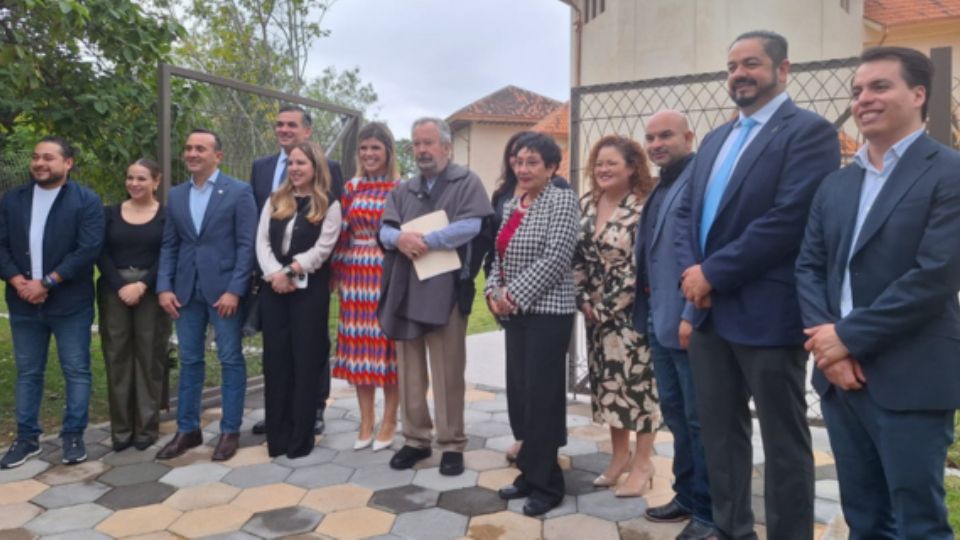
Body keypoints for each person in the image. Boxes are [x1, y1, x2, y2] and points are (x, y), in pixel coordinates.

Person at [674, 30, 840, 538]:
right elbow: (687, 213)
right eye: (731, 67)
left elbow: (789, 219)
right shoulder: (717, 138)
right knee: (721, 436)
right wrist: (692, 278)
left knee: (785, 439)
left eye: (751, 64)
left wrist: (712, 273)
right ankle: (731, 529)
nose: (739, 75)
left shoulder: (809, 132)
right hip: (708, 313)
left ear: (782, 69)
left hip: (767, 313)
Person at [796, 46, 960, 539]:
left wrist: (847, 339)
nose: (864, 98)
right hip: (838, 380)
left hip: (910, 374)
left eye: (879, 86)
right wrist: (831, 353)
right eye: (857, 90)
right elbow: (808, 267)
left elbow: (937, 274)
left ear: (918, 94)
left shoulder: (949, 172)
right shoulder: (836, 185)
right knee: (864, 518)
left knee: (919, 522)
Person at [378, 117, 493, 476]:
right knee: (410, 370)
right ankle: (415, 440)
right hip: (407, 290)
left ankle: (452, 444)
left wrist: (426, 241)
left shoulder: (467, 182)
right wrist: (399, 239)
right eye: (416, 144)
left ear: (446, 147)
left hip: (447, 291)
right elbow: (384, 229)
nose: (422, 151)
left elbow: (472, 225)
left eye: (429, 143)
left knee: (448, 371)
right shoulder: (403, 189)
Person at [486, 133, 578, 516]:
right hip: (516, 315)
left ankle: (547, 484)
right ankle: (528, 473)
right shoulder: (513, 203)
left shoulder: (562, 200)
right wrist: (493, 291)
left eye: (532, 162)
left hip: (548, 313)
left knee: (542, 397)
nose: (522, 169)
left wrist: (512, 296)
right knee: (521, 394)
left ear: (552, 167)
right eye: (518, 161)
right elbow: (498, 255)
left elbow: (557, 258)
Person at [0, 136, 104, 469]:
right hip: (23, 304)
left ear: (68, 163)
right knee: (28, 372)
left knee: (76, 370)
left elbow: (87, 249)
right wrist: (19, 281)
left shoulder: (86, 201)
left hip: (69, 304)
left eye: (48, 157)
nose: (40, 163)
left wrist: (47, 283)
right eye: (35, 157)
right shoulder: (12, 200)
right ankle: (26, 438)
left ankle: (73, 436)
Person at [636, 111, 716, 538]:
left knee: (700, 419)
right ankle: (686, 495)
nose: (656, 144)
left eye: (665, 135)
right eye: (649, 137)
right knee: (677, 415)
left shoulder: (699, 178)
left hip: (688, 320)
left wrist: (692, 315)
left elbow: (703, 251)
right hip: (658, 318)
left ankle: (708, 511)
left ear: (689, 136)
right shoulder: (663, 183)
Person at [156, 128, 257, 462]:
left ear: (218, 155)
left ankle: (230, 430)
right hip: (185, 292)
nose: (192, 153)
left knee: (230, 359)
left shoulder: (239, 192)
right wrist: (164, 286)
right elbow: (170, 245)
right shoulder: (177, 195)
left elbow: (247, 245)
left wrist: (235, 289)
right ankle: (188, 429)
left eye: (200, 148)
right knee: (190, 360)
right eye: (188, 148)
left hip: (223, 292)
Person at [250, 104, 344, 437]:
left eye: (291, 124)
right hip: (272, 280)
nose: (284, 129)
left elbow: (330, 232)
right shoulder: (261, 169)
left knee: (311, 348)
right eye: (279, 124)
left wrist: (293, 271)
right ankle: (280, 412)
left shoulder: (331, 174)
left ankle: (313, 408)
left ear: (307, 131)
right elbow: (260, 233)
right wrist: (273, 272)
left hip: (310, 281)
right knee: (277, 351)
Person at [573, 135, 659, 498]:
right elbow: (576, 255)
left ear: (632, 167)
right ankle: (618, 457)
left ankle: (643, 463)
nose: (603, 169)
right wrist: (582, 298)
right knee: (607, 387)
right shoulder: (588, 202)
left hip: (629, 314)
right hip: (593, 314)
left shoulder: (644, 206)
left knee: (636, 389)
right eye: (599, 163)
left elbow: (640, 266)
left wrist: (606, 306)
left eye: (611, 163)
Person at [330, 122, 401, 452]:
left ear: (388, 151)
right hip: (357, 274)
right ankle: (366, 420)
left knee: (388, 350)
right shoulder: (351, 186)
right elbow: (342, 233)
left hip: (388, 272)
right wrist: (338, 273)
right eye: (364, 148)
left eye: (376, 147)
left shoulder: (400, 187)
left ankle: (389, 420)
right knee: (361, 349)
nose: (369, 154)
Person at [96, 158, 171, 452]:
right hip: (114, 290)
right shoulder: (109, 214)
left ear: (156, 181)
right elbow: (100, 252)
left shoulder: (166, 216)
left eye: (141, 179)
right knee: (117, 357)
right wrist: (120, 285)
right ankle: (122, 429)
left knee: (149, 356)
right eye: (130, 178)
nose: (134, 184)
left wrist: (142, 284)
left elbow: (168, 252)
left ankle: (146, 428)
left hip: (150, 292)